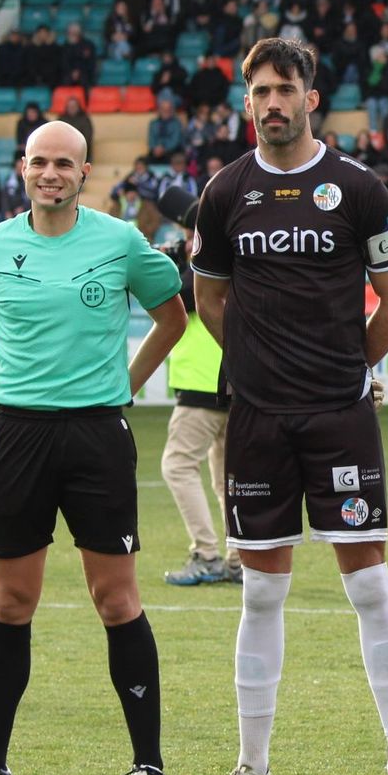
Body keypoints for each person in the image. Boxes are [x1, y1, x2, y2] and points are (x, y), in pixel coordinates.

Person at [189, 38, 388, 775]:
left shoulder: (360, 189)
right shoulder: (224, 192)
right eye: (260, 91)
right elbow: (210, 300)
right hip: (257, 419)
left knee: (369, 585)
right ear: (247, 101)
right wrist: (257, 363)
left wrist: (346, 368)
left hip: (339, 417)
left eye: (284, 89)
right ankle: (252, 768)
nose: (272, 103)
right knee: (260, 594)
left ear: (310, 98)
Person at [0, 120, 188, 775]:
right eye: (39, 162)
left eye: (64, 163)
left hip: (96, 437)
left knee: (116, 598)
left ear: (85, 173)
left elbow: (172, 318)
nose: (50, 173)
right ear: (22, 169)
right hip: (17, 435)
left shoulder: (120, 241)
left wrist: (124, 386)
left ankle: (148, 768)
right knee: (11, 600)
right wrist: (22, 386)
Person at [158, 194, 242, 587]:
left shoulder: (208, 265)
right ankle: (240, 559)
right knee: (228, 478)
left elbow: (175, 297)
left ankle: (206, 554)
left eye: (191, 233)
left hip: (203, 383)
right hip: (234, 382)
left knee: (177, 465)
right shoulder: (240, 257)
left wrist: (175, 260)